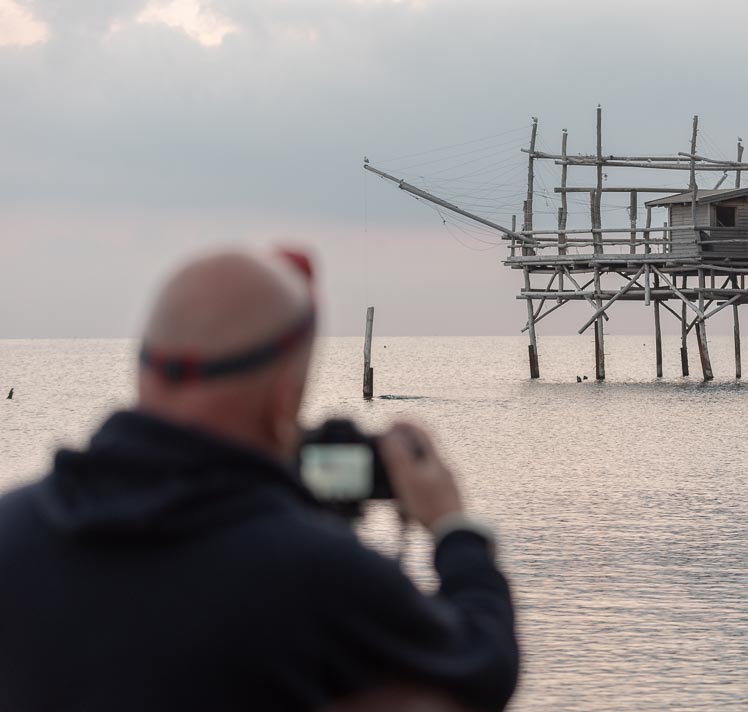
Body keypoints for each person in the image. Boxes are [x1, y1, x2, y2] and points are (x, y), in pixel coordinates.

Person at [0, 250, 518, 711]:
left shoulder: (13, 527)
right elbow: (482, 667)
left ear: (144, 367)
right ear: (284, 402)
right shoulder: (314, 572)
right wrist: (454, 530)